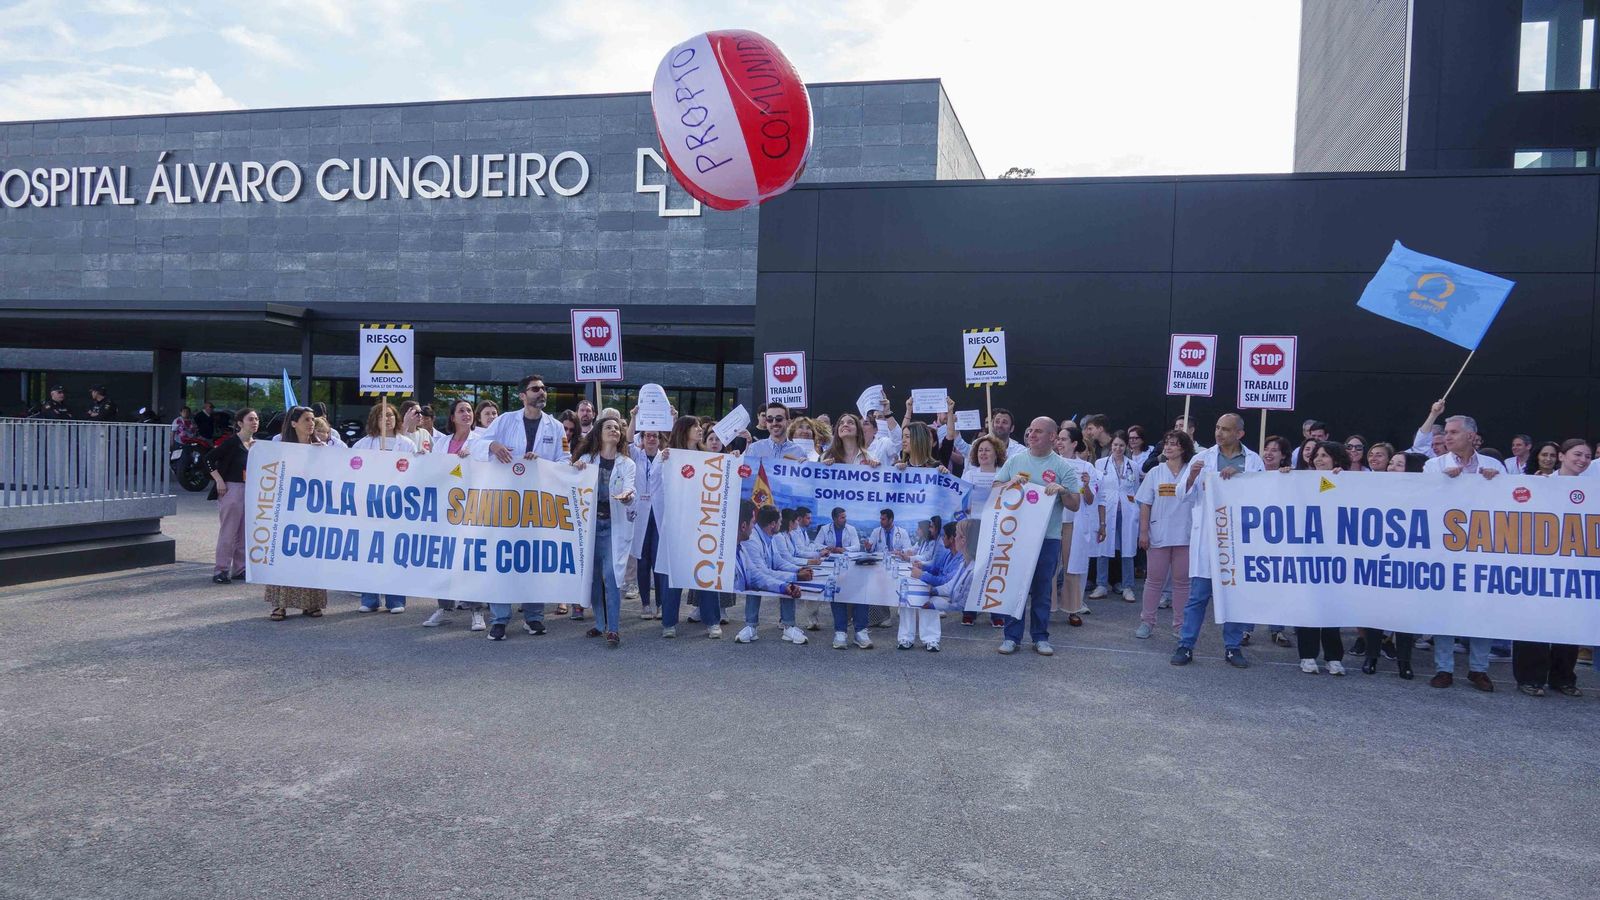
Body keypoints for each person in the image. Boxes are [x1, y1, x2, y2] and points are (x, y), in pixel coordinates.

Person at [475, 375, 571, 636]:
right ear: (522, 395)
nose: (542, 393)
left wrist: (542, 463)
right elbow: (476, 444)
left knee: (534, 560)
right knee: (501, 560)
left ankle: (534, 616)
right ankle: (499, 619)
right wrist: (492, 445)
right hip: (503, 503)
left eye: (544, 389)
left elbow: (565, 459)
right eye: (536, 389)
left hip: (536, 505)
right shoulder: (505, 420)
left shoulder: (556, 427)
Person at [1172, 414, 1264, 668]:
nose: (1219, 433)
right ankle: (1186, 645)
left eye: (1225, 429)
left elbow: (1263, 493)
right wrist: (1191, 476)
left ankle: (1233, 647)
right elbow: (1182, 495)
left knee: (1234, 596)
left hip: (1237, 541)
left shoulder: (1252, 460)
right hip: (1207, 539)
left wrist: (1242, 476)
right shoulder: (1202, 458)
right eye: (1217, 427)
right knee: (1198, 597)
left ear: (1239, 434)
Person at [1420, 415, 1500, 691]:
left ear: (1471, 435)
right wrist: (1442, 483)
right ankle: (1444, 668)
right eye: (1447, 433)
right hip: (1445, 549)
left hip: (1483, 548)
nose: (1447, 437)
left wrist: (1496, 483)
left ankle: (1479, 669)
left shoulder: (1493, 465)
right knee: (1446, 608)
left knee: (1481, 608)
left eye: (1454, 432)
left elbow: (1510, 504)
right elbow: (1423, 502)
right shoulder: (1434, 465)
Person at [994, 416, 1081, 656]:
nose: (1032, 434)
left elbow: (1076, 504)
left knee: (1042, 590)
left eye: (1039, 431)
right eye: (1030, 430)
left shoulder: (1063, 467)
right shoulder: (1015, 460)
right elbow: (995, 490)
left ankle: (1040, 637)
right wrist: (1010, 483)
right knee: (1015, 589)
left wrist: (1063, 491)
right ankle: (1012, 637)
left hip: (1048, 538)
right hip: (1017, 537)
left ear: (1053, 437)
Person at [1509, 439, 1590, 696]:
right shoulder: (1539, 484)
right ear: (1562, 456)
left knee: (1570, 624)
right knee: (1534, 622)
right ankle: (1530, 678)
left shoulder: (1592, 488)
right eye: (1577, 454)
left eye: (1588, 456)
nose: (1583, 460)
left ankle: (1564, 678)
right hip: (1539, 564)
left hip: (1575, 566)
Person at [568, 415, 634, 648]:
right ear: (599, 432)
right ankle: (600, 623)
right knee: (593, 578)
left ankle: (613, 629)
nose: (614, 430)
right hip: (589, 528)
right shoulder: (587, 459)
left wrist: (627, 497)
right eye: (609, 427)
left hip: (612, 527)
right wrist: (575, 470)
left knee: (612, 577)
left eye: (617, 428)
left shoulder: (627, 463)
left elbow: (629, 488)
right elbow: (571, 487)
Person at [654, 416, 723, 638]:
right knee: (672, 573)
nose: (700, 430)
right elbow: (654, 482)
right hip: (676, 523)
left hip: (703, 523)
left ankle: (712, 620)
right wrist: (661, 460)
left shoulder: (709, 458)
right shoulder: (667, 455)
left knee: (705, 570)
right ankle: (669, 623)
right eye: (695, 427)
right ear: (683, 430)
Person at [422, 399, 487, 632]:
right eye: (461, 410)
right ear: (452, 417)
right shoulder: (441, 443)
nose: (467, 414)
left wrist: (473, 456)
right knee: (445, 558)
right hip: (445, 511)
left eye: (469, 410)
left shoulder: (480, 442)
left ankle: (477, 610)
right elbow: (432, 471)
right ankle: (445, 607)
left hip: (471, 510)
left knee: (470, 560)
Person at [350, 403, 415, 612]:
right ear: (374, 420)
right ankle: (369, 600)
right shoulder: (363, 444)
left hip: (396, 507)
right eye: (382, 416)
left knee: (394, 552)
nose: (387, 419)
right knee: (369, 552)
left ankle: (396, 600)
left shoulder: (407, 445)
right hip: (369, 507)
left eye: (390, 415)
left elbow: (415, 474)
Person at [266, 407, 330, 620]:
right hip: (287, 511)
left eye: (312, 419)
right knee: (285, 556)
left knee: (310, 556)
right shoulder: (281, 448)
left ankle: (311, 603)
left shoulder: (322, 449)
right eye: (306, 419)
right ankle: (280, 604)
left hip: (313, 511)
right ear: (293, 423)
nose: (311, 423)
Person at [1134, 430, 1196, 640]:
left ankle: (1180, 625)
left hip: (1185, 535)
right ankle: (1147, 622)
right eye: (1166, 444)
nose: (1168, 447)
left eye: (1174, 444)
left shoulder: (1192, 471)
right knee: (1154, 580)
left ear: (1184, 448)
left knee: (1182, 582)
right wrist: (1143, 532)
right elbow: (1145, 503)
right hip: (1158, 533)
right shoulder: (1155, 472)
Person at [738, 504, 813, 647]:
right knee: (759, 583)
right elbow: (760, 573)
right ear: (772, 524)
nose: (781, 523)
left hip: (767, 575)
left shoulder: (770, 535)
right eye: (779, 521)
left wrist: (798, 570)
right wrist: (795, 577)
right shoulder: (752, 540)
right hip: (759, 577)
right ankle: (751, 626)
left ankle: (788, 627)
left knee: (788, 583)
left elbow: (778, 562)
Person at [1052, 422, 1099, 625]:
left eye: (1063, 439)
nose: (1059, 442)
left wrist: (1087, 486)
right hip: (1052, 522)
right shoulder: (1051, 462)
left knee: (1072, 566)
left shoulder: (1086, 467)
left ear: (1074, 443)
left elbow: (1090, 500)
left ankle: (1072, 608)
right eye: (1058, 439)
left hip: (1074, 523)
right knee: (1050, 566)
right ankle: (1048, 606)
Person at [205, 406, 257, 585]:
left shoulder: (256, 445)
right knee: (229, 531)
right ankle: (221, 569)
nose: (255, 422)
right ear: (240, 423)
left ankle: (240, 569)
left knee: (244, 532)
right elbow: (209, 459)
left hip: (249, 490)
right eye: (250, 419)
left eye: (256, 419)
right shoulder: (232, 442)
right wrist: (218, 480)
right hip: (232, 488)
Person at [1090, 431, 1141, 604]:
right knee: (1102, 548)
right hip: (1107, 510)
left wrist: (1136, 510)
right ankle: (1101, 585)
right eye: (1115, 445)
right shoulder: (1100, 463)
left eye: (1121, 445)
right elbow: (1097, 488)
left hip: (1127, 511)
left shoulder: (1132, 465)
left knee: (1127, 549)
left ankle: (1128, 586)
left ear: (1126, 447)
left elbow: (1135, 488)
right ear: (1111, 446)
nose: (1118, 448)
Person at [626, 411, 667, 620]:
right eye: (647, 435)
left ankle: (660, 603)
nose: (651, 438)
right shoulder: (635, 454)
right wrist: (633, 417)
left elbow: (681, 447)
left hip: (658, 515)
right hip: (641, 514)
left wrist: (673, 418)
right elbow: (625, 441)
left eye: (655, 436)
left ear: (660, 439)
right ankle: (645, 604)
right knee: (642, 561)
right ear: (641, 439)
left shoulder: (665, 456)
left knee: (658, 561)